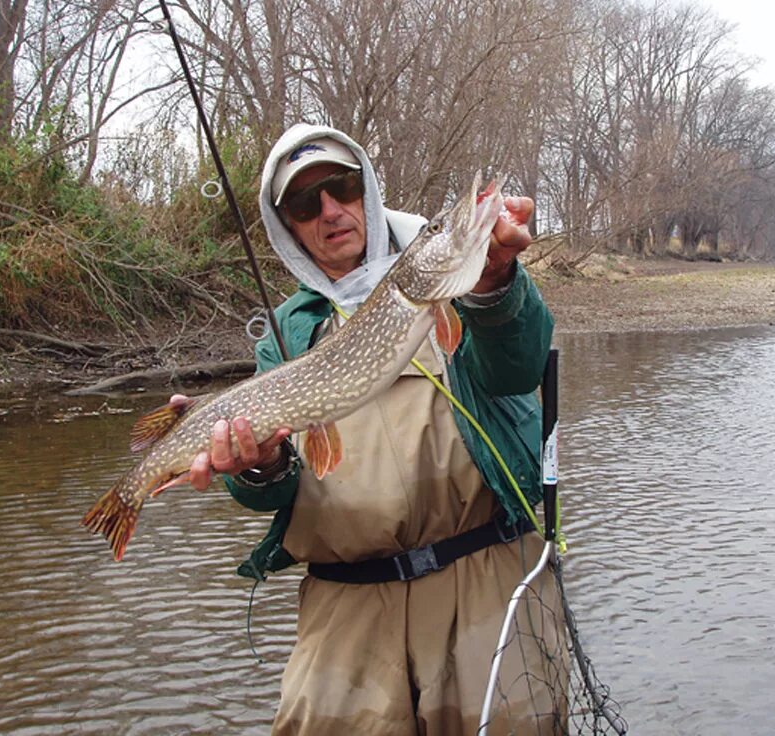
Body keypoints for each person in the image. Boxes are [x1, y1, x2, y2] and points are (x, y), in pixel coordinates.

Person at [181, 124, 560, 734]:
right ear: (288, 226)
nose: (330, 211)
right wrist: (262, 466)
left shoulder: (464, 282)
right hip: (348, 607)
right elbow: (271, 490)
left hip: (485, 580)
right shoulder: (287, 333)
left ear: (368, 191)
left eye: (342, 187)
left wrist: (494, 285)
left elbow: (518, 367)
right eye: (306, 204)